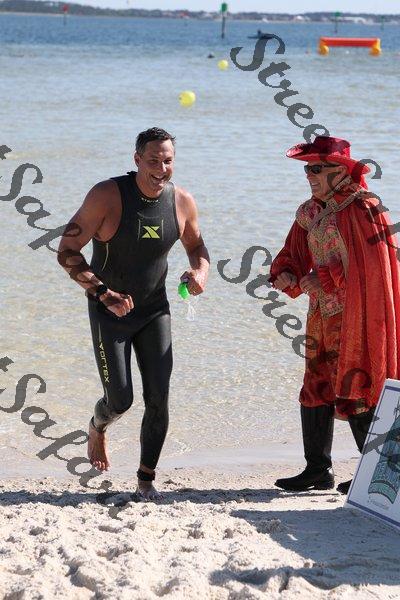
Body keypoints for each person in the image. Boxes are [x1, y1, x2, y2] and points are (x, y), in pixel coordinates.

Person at [57, 127, 210, 500]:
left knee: (159, 397)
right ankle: (97, 427)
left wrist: (199, 273)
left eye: (168, 161)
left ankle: (145, 480)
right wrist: (102, 292)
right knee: (120, 400)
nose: (161, 168)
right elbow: (67, 251)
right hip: (109, 311)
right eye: (153, 160)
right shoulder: (107, 195)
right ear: (137, 159)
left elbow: (197, 247)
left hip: (155, 311)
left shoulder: (182, 201)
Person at [269, 136, 400, 494]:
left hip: (359, 315)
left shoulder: (366, 208)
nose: (308, 176)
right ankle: (317, 470)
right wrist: (287, 274)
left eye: (316, 169)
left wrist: (323, 278)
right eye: (307, 169)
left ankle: (375, 473)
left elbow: (372, 269)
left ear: (339, 171)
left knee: (359, 384)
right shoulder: (311, 211)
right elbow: (293, 252)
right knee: (316, 384)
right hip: (321, 314)